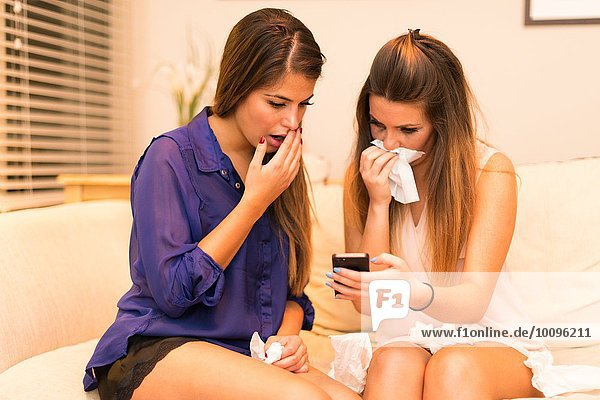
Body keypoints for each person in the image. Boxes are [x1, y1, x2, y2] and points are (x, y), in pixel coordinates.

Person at [84, 8, 359, 400]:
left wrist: (285, 341)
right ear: (237, 85)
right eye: (277, 103)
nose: (292, 121)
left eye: (304, 105)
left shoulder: (279, 159)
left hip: (246, 353)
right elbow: (173, 294)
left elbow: (292, 295)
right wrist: (254, 202)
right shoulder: (170, 157)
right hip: (160, 345)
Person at [326, 30, 544, 399]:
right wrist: (378, 204)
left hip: (487, 337)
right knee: (394, 362)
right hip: (406, 335)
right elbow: (369, 305)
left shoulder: (490, 173)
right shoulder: (363, 174)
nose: (389, 143)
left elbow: (473, 304)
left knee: (451, 366)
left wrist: (411, 289)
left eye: (409, 129)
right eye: (378, 124)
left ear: (442, 123)